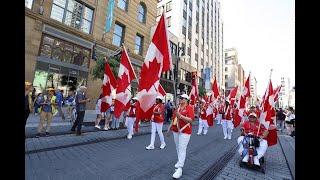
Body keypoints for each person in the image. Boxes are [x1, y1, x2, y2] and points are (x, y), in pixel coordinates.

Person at [168, 94, 194, 179]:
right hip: (176, 130)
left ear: (186, 100)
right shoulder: (178, 108)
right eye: (180, 98)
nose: (180, 99)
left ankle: (179, 168)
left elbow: (191, 120)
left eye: (182, 98)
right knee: (178, 148)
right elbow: (173, 119)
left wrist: (181, 116)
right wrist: (169, 129)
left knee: (182, 148)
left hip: (185, 131)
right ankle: (179, 165)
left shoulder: (189, 108)